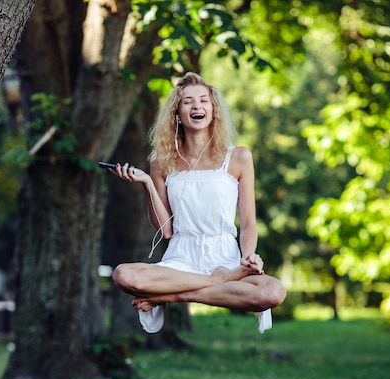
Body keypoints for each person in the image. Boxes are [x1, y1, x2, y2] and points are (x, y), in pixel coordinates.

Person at [105, 72, 286, 333]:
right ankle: (216, 281)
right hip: (181, 258)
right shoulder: (161, 161)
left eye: (204, 100)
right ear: (177, 113)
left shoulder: (238, 157)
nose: (197, 106)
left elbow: (247, 223)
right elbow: (165, 230)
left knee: (273, 292)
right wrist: (146, 182)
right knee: (123, 274)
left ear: (213, 111)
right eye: (188, 101)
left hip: (225, 257)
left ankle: (172, 296)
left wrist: (247, 257)